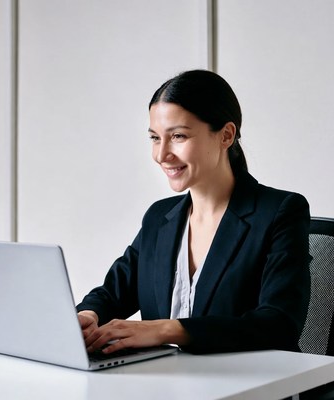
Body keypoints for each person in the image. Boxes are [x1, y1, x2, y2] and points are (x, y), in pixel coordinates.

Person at [76, 69, 310, 355]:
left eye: (178, 136)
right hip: (167, 384)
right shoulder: (159, 217)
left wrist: (167, 329)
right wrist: (88, 316)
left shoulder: (279, 212)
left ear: (226, 135)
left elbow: (279, 324)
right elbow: (113, 292)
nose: (162, 155)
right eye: (154, 138)